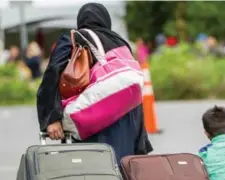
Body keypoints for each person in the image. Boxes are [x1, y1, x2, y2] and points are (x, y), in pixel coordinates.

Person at [36, 3, 153, 161]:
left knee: (92, 175)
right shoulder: (121, 43)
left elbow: (52, 75)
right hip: (126, 126)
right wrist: (140, 140)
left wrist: (52, 118)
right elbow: (132, 88)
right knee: (122, 175)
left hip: (92, 123)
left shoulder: (75, 38)